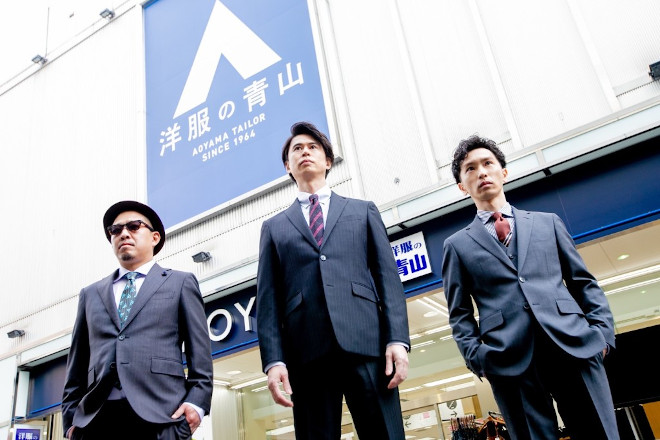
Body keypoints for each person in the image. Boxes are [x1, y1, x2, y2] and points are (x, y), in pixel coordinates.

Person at [442, 135, 619, 440]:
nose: (481, 172)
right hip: (507, 358)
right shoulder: (456, 245)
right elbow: (459, 314)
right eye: (470, 168)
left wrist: (602, 333)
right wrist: (478, 357)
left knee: (598, 431)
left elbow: (583, 282)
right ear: (462, 186)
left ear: (503, 172)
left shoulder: (547, 223)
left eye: (488, 163)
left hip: (574, 343)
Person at [256, 121, 410, 439]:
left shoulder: (362, 211)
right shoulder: (274, 228)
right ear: (288, 166)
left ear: (328, 161)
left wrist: (397, 340)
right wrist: (274, 361)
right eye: (297, 148)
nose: (305, 152)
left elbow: (388, 280)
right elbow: (268, 301)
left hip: (367, 345)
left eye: (313, 147)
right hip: (306, 354)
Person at [62, 200, 213, 440]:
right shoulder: (90, 294)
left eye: (133, 227)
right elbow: (77, 363)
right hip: (96, 420)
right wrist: (71, 420)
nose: (123, 234)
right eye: (115, 230)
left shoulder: (180, 283)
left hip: (162, 418)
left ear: (154, 237)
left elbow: (200, 354)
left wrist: (196, 403)